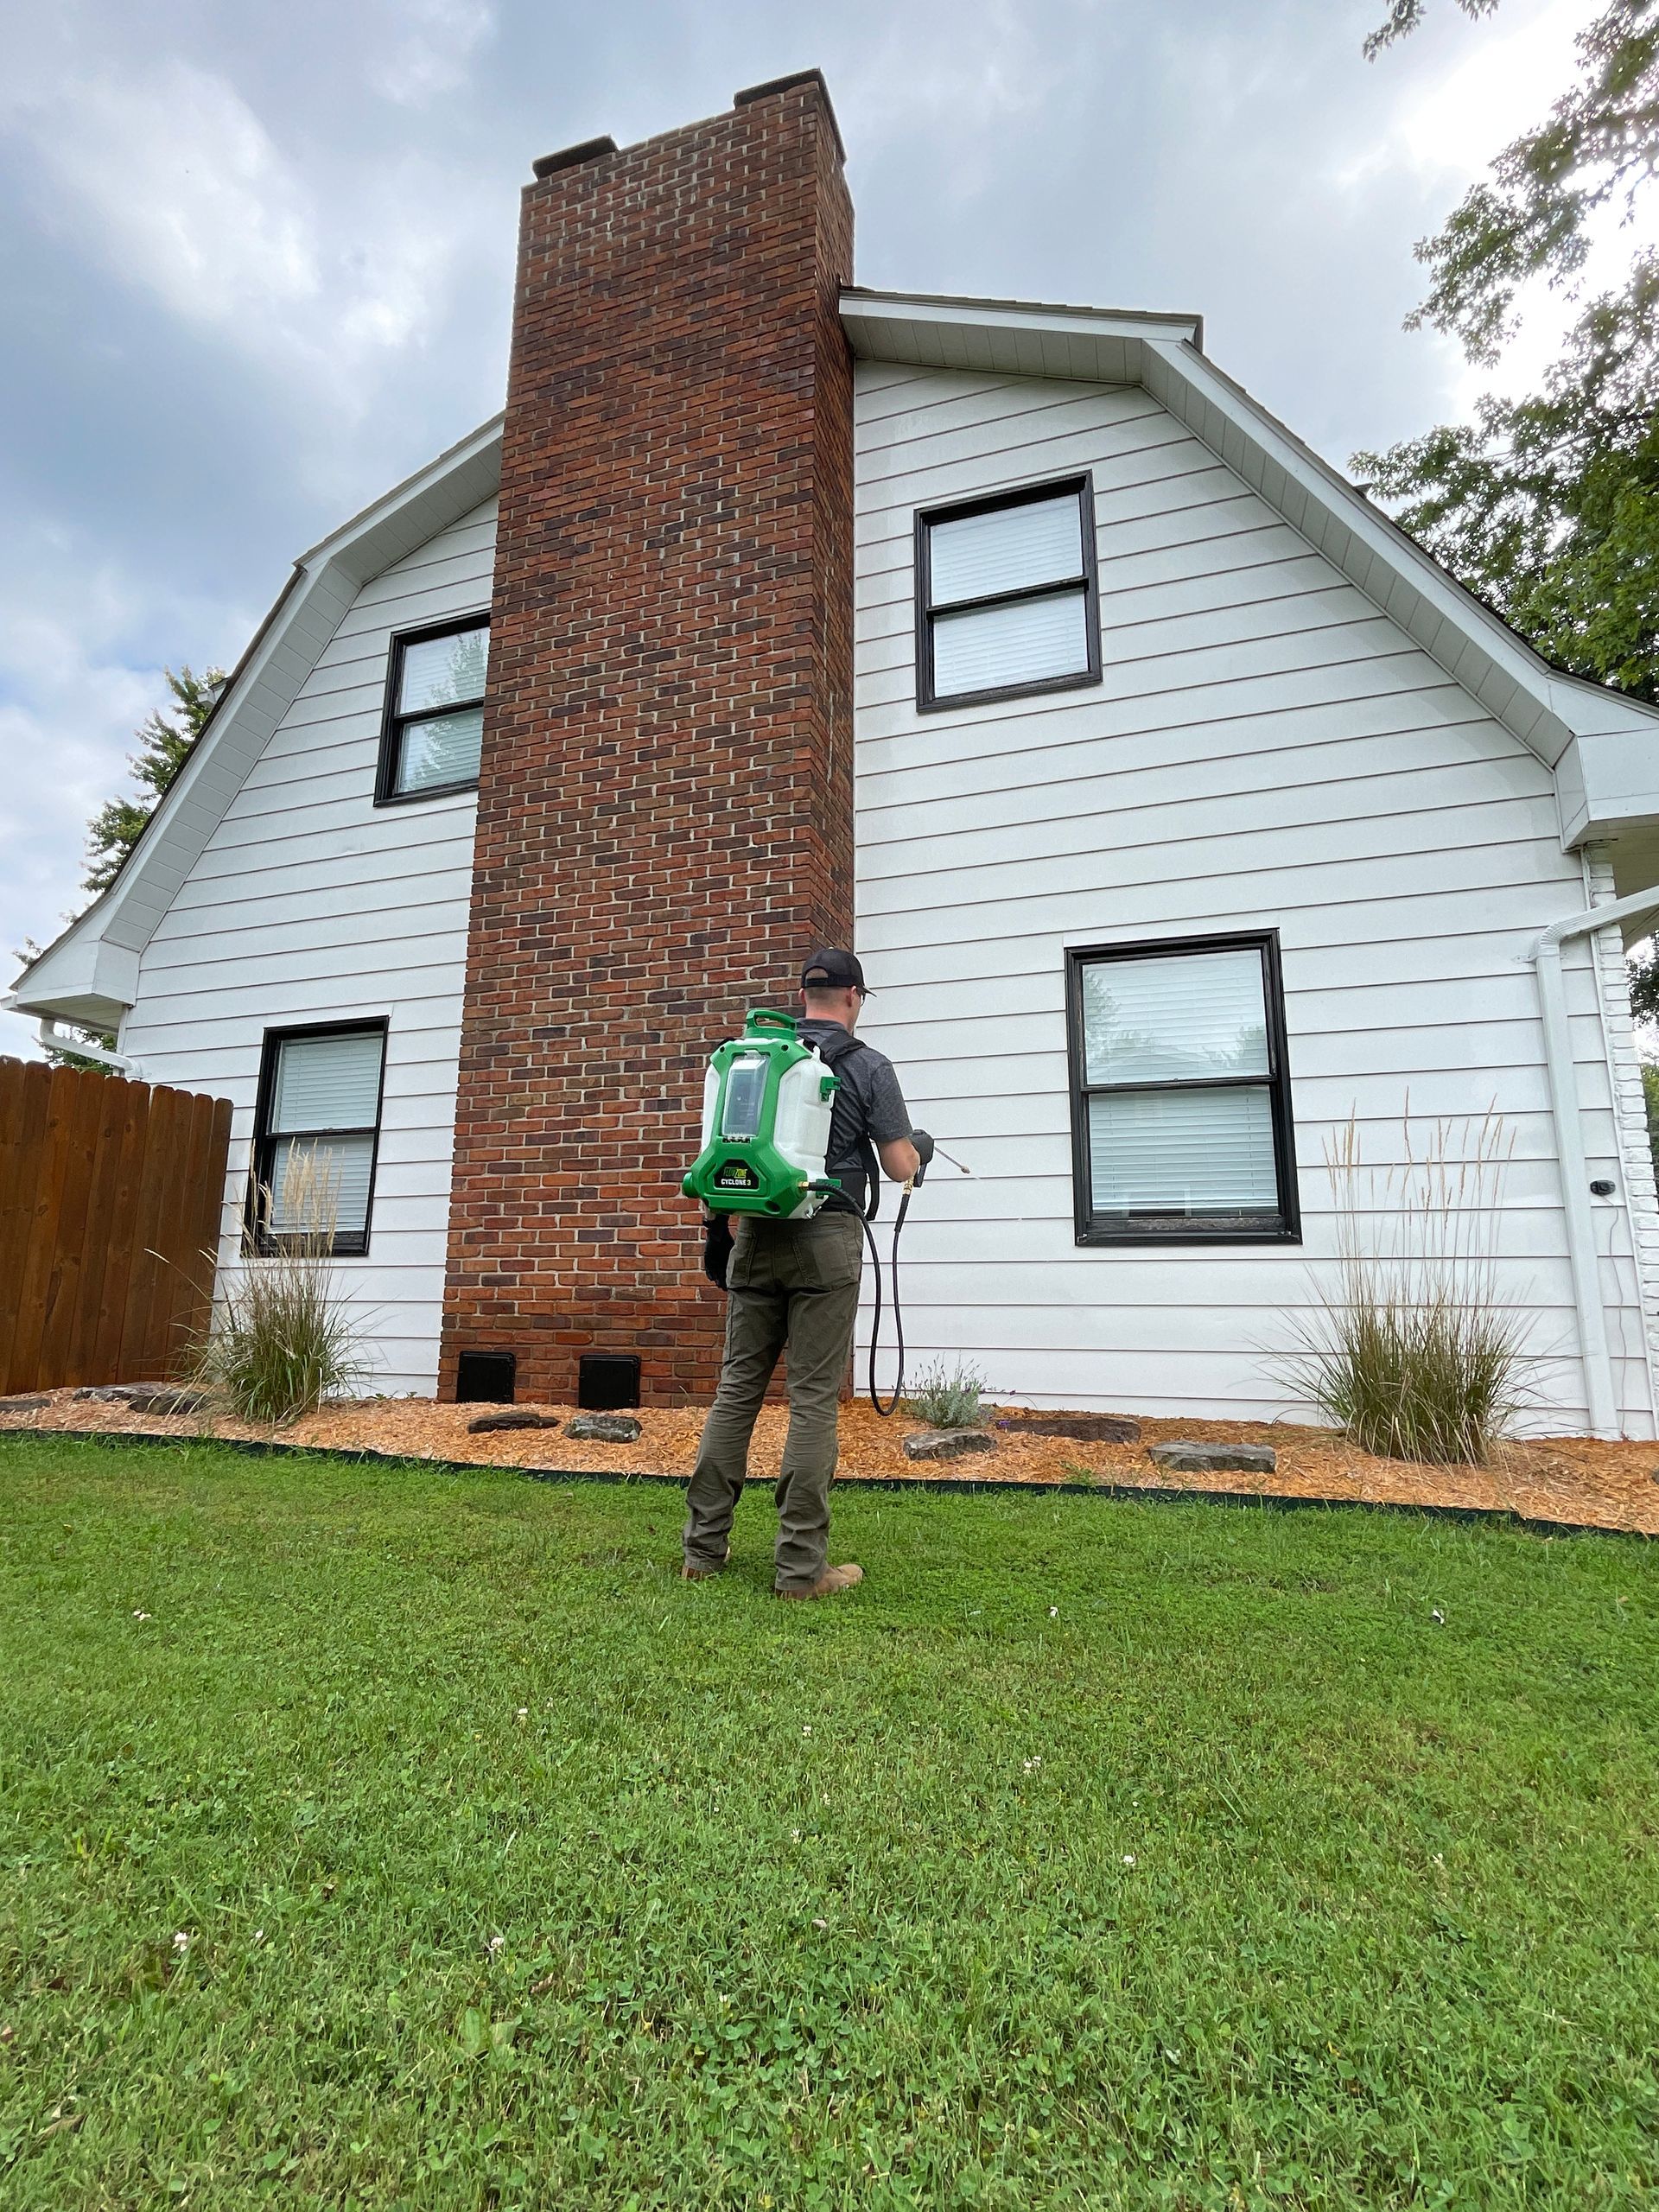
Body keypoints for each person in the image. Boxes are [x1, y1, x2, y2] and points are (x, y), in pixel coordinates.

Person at [682, 948, 931, 1599]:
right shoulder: (868, 1065)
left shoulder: (756, 1060)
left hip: (757, 1230)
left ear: (805, 995)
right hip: (826, 1240)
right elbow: (901, 1166)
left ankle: (703, 1552)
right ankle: (799, 1570)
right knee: (813, 1399)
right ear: (852, 997)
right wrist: (921, 1146)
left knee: (737, 1390)